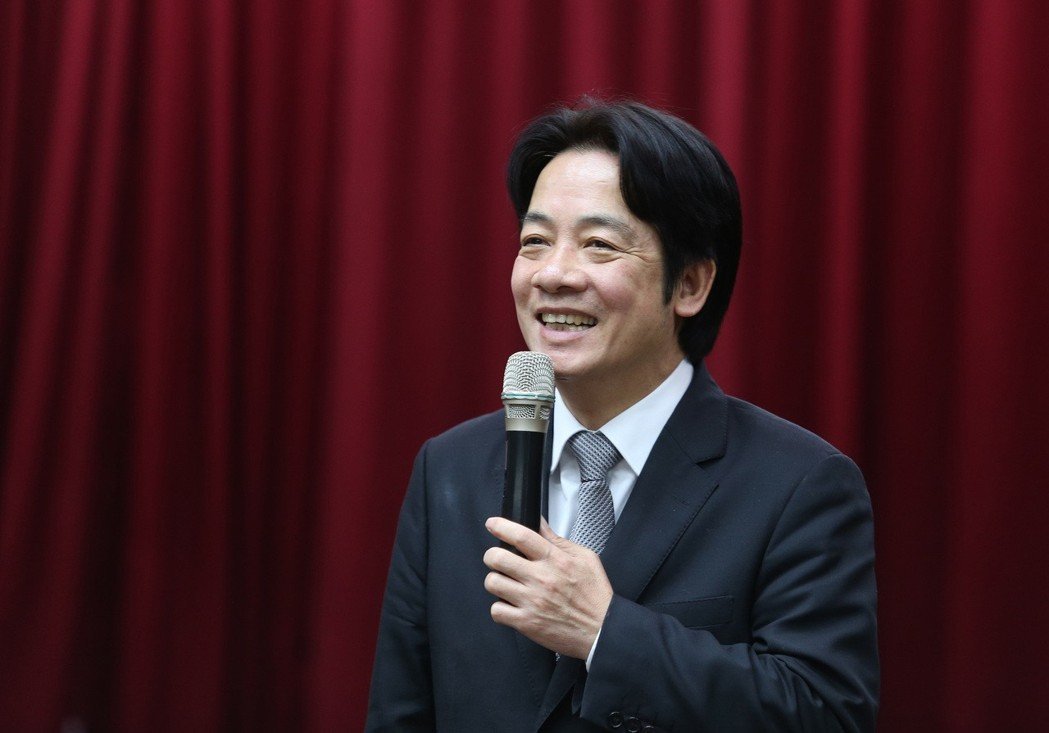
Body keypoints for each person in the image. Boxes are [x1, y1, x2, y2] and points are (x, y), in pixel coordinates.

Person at [366, 99, 878, 732]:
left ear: (690, 285)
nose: (553, 275)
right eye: (535, 242)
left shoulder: (799, 484)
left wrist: (606, 633)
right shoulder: (450, 469)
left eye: (599, 245)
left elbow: (825, 714)